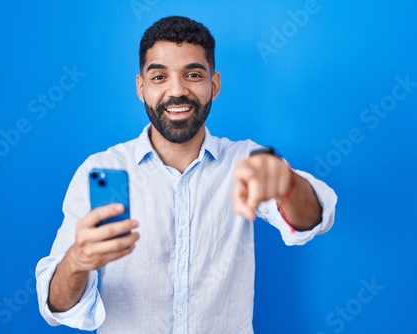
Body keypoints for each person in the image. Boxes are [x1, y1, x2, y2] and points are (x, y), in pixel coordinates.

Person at [36, 16, 337, 333]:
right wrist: (76, 262)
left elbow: (314, 220)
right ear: (141, 87)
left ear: (214, 84)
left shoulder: (248, 161)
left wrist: (287, 184)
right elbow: (56, 308)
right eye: (159, 77)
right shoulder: (100, 170)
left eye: (193, 75)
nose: (176, 91)